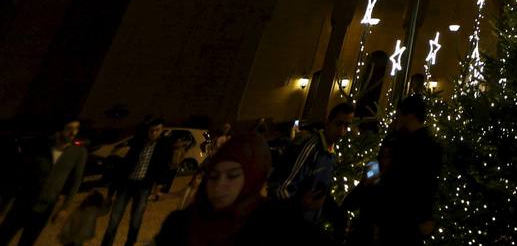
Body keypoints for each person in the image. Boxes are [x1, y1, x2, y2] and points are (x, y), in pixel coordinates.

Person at [153, 131, 316, 246]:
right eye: (214, 176)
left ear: (252, 179)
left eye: (232, 176)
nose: (219, 185)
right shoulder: (180, 225)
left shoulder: (276, 226)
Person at [269, 102, 355, 230]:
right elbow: (282, 189)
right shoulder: (311, 147)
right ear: (328, 121)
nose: (342, 131)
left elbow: (321, 192)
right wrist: (300, 205)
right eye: (338, 124)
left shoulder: (331, 152)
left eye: (346, 126)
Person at [0, 119, 87, 246]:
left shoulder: (78, 153)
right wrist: (6, 202)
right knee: (3, 237)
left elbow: (76, 181)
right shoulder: (41, 147)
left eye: (76, 128)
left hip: (44, 208)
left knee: (27, 242)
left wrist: (65, 208)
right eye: (69, 128)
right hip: (23, 203)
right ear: (59, 131)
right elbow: (21, 174)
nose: (73, 132)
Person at [375, 96, 441, 244]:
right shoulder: (431, 145)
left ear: (409, 116)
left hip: (399, 220)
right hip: (406, 222)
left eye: (399, 115)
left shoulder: (403, 143)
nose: (397, 120)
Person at [101, 118, 172, 246]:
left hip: (143, 186)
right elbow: (124, 166)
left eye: (158, 130)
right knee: (115, 217)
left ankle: (130, 243)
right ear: (147, 131)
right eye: (152, 130)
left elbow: (163, 167)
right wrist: (111, 193)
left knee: (136, 217)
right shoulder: (139, 143)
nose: (154, 133)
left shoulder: (164, 146)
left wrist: (158, 186)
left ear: (162, 130)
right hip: (126, 184)